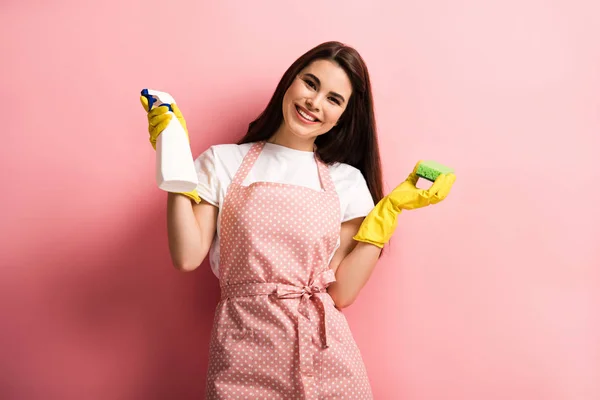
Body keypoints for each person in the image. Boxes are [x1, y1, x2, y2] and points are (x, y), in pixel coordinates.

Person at [140, 41, 455, 399]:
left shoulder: (346, 181)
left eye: (334, 99)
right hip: (243, 353)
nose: (314, 102)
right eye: (310, 83)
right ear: (290, 82)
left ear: (343, 116)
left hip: (326, 357)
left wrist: (389, 211)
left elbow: (342, 292)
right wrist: (176, 165)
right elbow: (187, 255)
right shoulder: (222, 162)